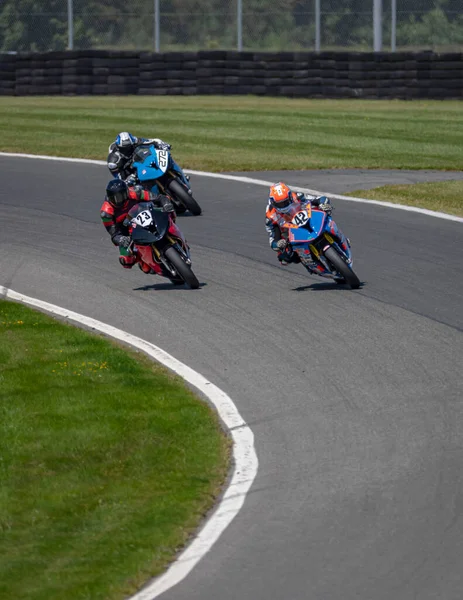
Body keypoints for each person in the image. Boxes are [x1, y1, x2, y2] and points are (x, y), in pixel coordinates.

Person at [265, 181, 350, 270]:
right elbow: (272, 239)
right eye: (280, 204)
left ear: (290, 196)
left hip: (308, 219)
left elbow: (320, 198)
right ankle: (310, 263)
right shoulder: (270, 217)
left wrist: (323, 204)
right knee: (285, 258)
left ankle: (341, 239)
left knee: (327, 218)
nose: (283, 205)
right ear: (273, 203)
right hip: (289, 231)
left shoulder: (298, 196)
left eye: (285, 202)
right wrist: (278, 243)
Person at [100, 178, 175, 274]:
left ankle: (172, 229)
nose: (119, 200)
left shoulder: (135, 192)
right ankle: (142, 260)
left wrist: (166, 203)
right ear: (109, 198)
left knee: (169, 211)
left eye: (121, 195)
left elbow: (158, 197)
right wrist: (121, 239)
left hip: (146, 216)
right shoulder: (106, 212)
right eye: (115, 198)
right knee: (126, 261)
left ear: (127, 191)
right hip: (127, 231)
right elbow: (114, 234)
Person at [107, 131, 171, 180]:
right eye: (124, 149)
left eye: (129, 147)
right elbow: (119, 178)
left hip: (136, 158)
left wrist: (161, 144)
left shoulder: (134, 140)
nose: (127, 150)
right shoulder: (114, 160)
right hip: (125, 167)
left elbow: (151, 141)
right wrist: (127, 180)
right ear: (119, 148)